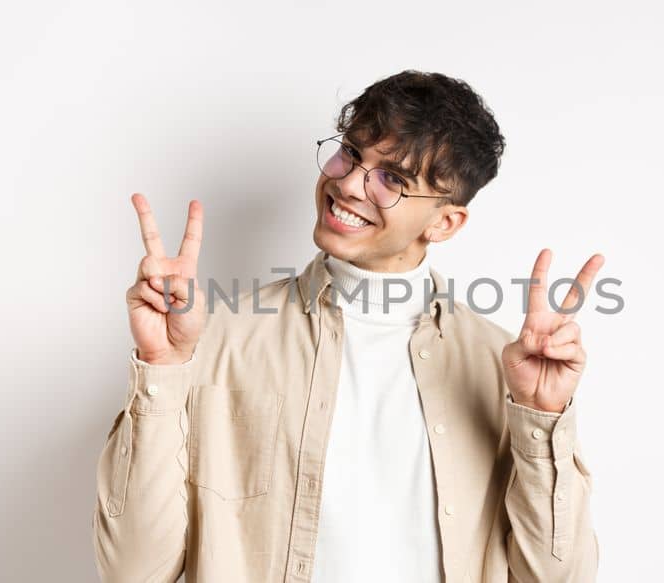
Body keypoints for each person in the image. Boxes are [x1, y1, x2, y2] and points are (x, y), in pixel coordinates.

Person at [93, 70, 602, 582]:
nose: (349, 183)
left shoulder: (503, 368)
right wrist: (162, 369)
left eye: (393, 179)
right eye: (352, 154)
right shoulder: (215, 339)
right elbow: (132, 572)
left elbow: (556, 578)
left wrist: (541, 418)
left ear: (443, 223)